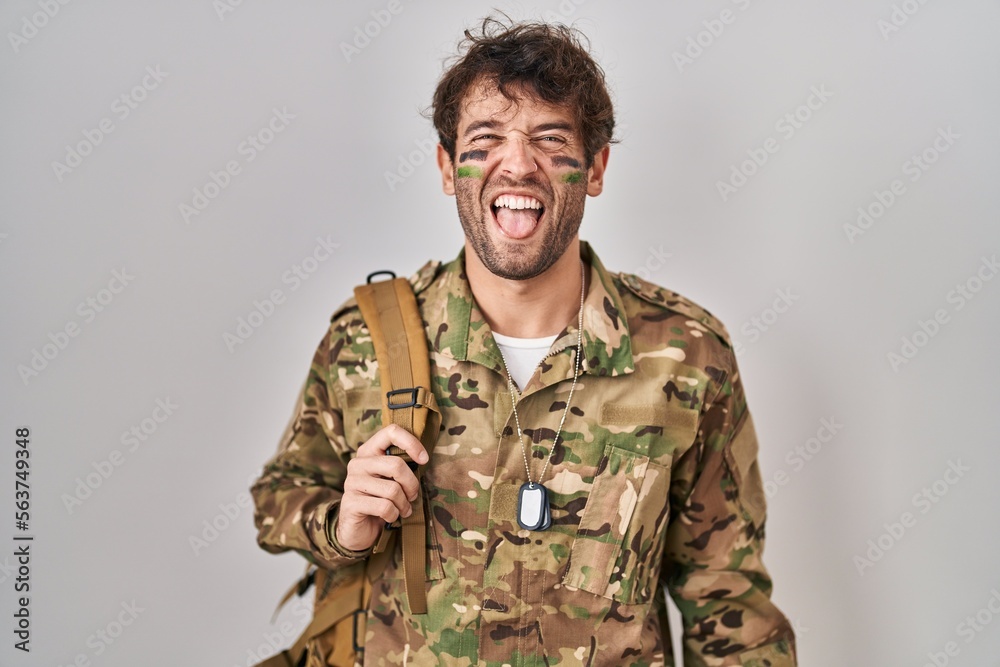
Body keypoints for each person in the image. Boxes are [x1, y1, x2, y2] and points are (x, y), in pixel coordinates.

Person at [251, 17, 797, 666]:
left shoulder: (686, 355)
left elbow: (728, 606)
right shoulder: (366, 339)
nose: (517, 163)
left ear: (595, 168)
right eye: (485, 139)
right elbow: (278, 498)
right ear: (448, 167)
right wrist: (341, 522)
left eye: (550, 139)